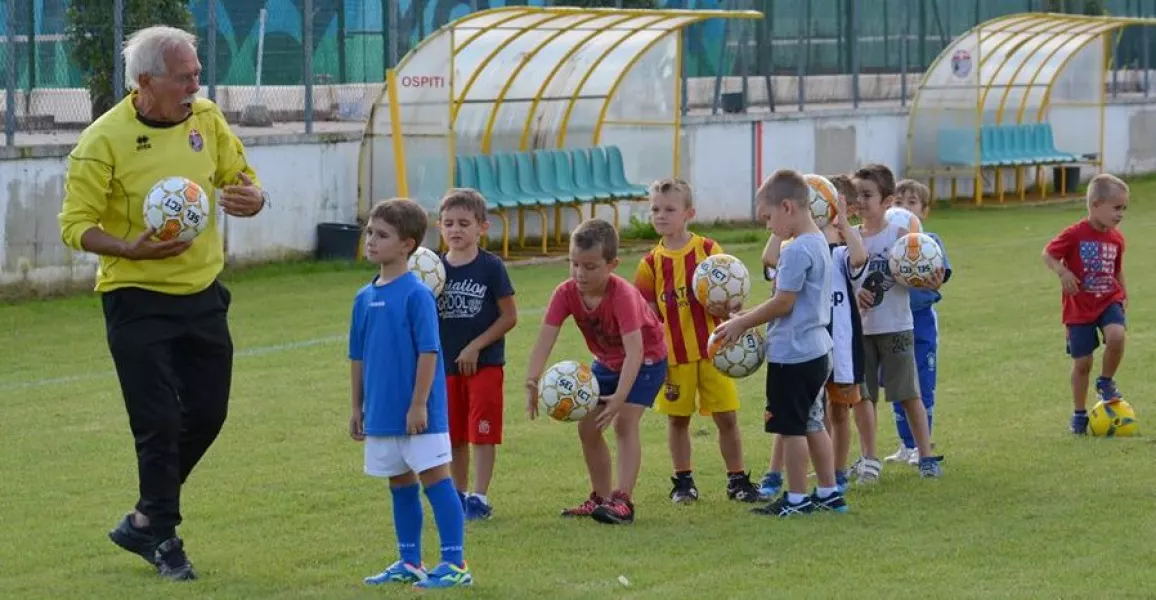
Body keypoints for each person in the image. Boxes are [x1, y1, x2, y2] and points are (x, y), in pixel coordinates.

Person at [57, 25, 269, 581]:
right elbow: (75, 226)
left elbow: (240, 178)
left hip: (202, 294)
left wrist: (255, 196)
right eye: (185, 77)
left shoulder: (207, 120)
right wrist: (129, 248)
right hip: (135, 299)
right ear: (146, 82)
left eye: (198, 74)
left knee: (207, 413)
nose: (196, 85)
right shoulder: (102, 142)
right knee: (157, 421)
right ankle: (166, 540)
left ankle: (145, 518)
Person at [350, 198, 471, 589]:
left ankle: (455, 564)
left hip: (419, 414)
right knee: (399, 483)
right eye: (370, 231)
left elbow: (429, 352)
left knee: (437, 481)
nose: (371, 240)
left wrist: (419, 403)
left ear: (408, 245)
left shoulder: (417, 294)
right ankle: (410, 561)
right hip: (382, 412)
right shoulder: (363, 298)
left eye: (382, 235)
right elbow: (357, 356)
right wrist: (357, 406)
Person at [715, 169, 847, 517]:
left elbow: (783, 302)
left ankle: (797, 500)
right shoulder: (819, 241)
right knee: (813, 423)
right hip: (819, 350)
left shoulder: (796, 250)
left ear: (787, 207)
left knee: (791, 431)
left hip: (794, 355)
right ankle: (829, 491)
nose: (768, 226)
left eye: (768, 217)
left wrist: (741, 322)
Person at [525, 219, 668, 525]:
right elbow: (545, 339)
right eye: (574, 264)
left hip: (647, 361)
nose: (580, 273)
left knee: (624, 423)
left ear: (612, 265)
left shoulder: (623, 296)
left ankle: (623, 502)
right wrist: (532, 380)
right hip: (605, 362)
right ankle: (600, 498)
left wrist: (618, 400)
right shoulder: (565, 293)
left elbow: (636, 351)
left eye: (590, 267)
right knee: (588, 427)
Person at [634, 178, 762, 504]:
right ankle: (683, 482)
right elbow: (649, 319)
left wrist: (729, 308)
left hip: (716, 354)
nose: (661, 215)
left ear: (689, 212)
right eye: (655, 209)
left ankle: (737, 479)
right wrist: (654, 357)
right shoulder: (649, 264)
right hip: (674, 358)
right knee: (678, 420)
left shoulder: (708, 251)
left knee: (727, 417)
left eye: (669, 209)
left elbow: (732, 298)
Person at [849, 164, 943, 481]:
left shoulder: (901, 238)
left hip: (897, 328)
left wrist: (931, 280)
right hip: (861, 332)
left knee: (908, 393)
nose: (860, 201)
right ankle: (869, 458)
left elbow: (922, 276)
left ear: (888, 201)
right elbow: (842, 283)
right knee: (863, 398)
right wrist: (855, 295)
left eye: (867, 194)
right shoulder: (849, 240)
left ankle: (926, 455)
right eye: (856, 195)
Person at [436, 189, 518, 520]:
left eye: (464, 224)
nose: (456, 230)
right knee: (454, 434)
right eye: (449, 223)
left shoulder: (490, 267)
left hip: (484, 365)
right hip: (446, 366)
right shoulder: (432, 269)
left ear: (482, 227)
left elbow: (509, 316)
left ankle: (479, 497)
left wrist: (475, 346)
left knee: (481, 432)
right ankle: (457, 494)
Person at [1042, 173, 1129, 435]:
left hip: (1108, 300)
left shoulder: (1117, 239)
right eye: (1116, 208)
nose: (1121, 214)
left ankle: (1106, 381)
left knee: (1117, 336)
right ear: (1095, 205)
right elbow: (1048, 254)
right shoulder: (1075, 233)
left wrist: (1123, 295)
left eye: (1124, 208)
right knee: (1083, 364)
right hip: (1078, 307)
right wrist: (1063, 272)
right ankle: (1079, 413)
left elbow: (1117, 271)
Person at [886, 180, 953, 463]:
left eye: (911, 203)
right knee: (898, 386)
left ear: (923, 211)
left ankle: (920, 445)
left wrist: (934, 276)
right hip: (890, 322)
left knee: (922, 384)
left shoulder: (930, 242)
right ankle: (906, 444)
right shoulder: (884, 241)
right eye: (898, 203)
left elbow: (943, 272)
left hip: (921, 321)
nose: (903, 209)